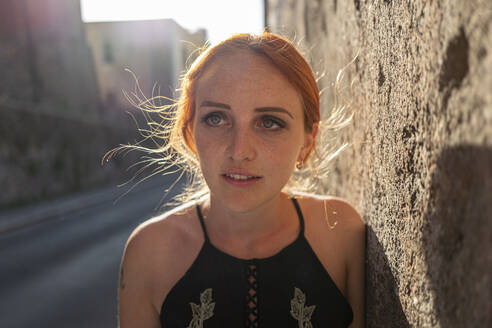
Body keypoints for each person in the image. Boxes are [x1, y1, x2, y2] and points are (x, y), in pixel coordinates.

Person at [117, 32, 365, 328]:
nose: (239, 151)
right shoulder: (150, 253)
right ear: (190, 132)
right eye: (216, 118)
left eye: (269, 122)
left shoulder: (341, 233)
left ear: (307, 142)